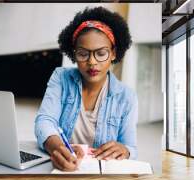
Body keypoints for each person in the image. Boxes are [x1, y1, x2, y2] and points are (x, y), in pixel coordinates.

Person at [34, 7, 137, 171]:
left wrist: (125, 150)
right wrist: (58, 148)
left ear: (113, 53)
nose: (92, 62)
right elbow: (45, 120)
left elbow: (131, 147)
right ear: (74, 54)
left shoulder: (126, 96)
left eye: (101, 53)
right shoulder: (61, 78)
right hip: (64, 171)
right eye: (83, 54)